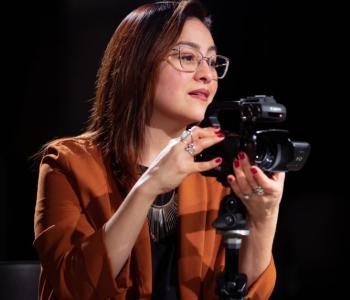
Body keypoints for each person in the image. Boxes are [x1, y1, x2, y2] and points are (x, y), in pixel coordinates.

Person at [33, 0, 285, 299]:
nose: (207, 74)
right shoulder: (68, 164)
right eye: (188, 57)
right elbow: (72, 289)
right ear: (139, 64)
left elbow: (242, 294)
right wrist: (150, 185)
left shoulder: (213, 171)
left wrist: (264, 217)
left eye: (213, 62)